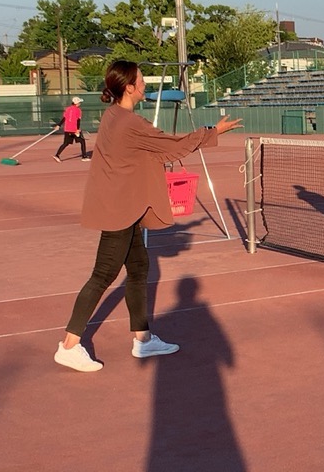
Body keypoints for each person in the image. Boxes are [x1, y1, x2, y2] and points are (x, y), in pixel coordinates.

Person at [53, 60, 242, 372]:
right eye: (141, 81)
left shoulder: (113, 115)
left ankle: (143, 338)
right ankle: (69, 345)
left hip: (126, 206)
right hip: (120, 210)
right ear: (129, 88)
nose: (144, 85)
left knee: (139, 267)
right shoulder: (129, 122)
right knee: (103, 275)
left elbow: (153, 151)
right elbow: (172, 145)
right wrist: (212, 131)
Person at [53, 96, 90, 162]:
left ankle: (57, 155)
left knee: (66, 143)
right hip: (74, 130)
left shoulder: (68, 109)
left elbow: (64, 118)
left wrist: (59, 125)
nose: (80, 103)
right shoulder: (78, 110)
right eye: (79, 102)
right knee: (82, 141)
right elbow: (78, 120)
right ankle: (84, 157)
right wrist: (77, 129)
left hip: (67, 129)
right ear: (76, 103)